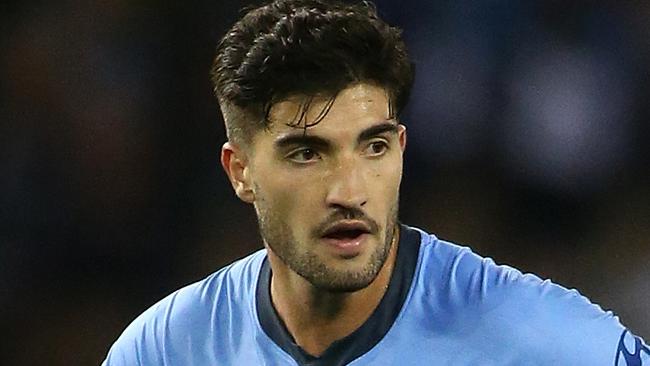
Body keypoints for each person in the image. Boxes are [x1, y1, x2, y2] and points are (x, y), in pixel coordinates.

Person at [102, 0, 649, 364]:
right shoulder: (166, 348)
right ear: (240, 172)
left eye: (374, 146)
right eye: (306, 153)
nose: (350, 190)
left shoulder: (531, 333)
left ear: (402, 150)